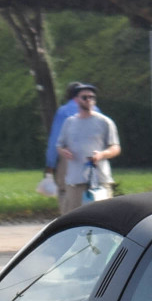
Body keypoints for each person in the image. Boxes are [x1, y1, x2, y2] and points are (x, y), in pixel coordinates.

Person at [56, 83, 120, 214]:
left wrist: (101, 155)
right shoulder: (69, 122)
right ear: (76, 100)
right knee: (74, 219)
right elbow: (59, 145)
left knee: (102, 218)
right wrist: (64, 151)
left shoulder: (104, 122)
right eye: (84, 97)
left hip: (100, 181)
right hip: (75, 181)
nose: (89, 100)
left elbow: (115, 147)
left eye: (92, 97)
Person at [44, 81, 97, 193]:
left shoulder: (64, 111)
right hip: (93, 157)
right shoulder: (96, 110)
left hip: (69, 156)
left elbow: (56, 139)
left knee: (65, 192)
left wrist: (50, 164)